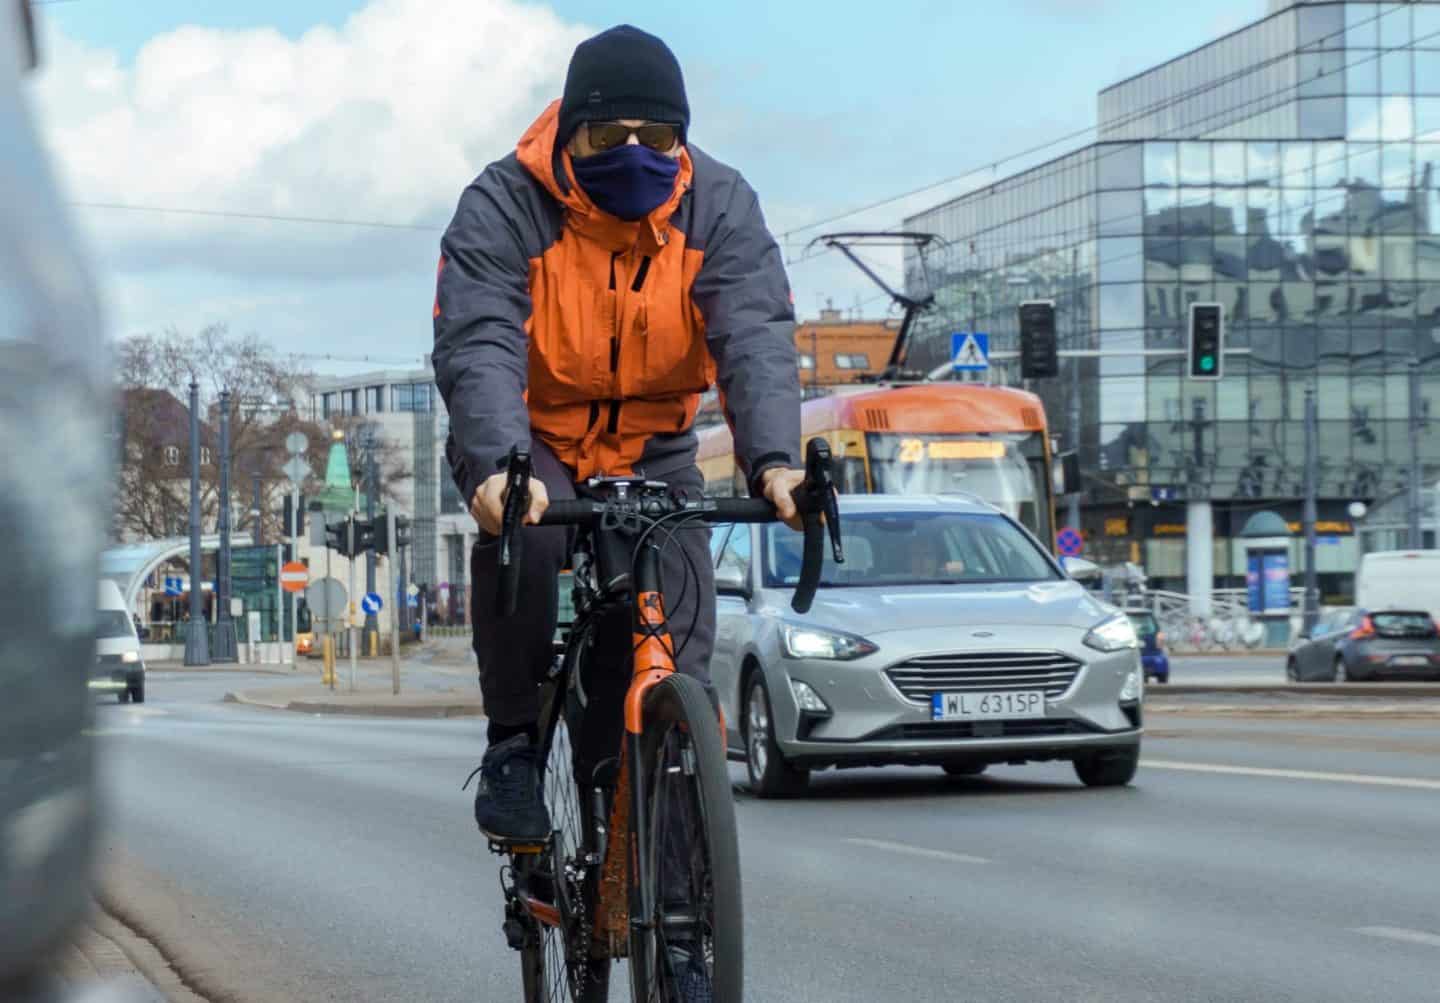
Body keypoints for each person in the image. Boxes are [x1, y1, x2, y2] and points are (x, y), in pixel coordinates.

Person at [433, 25, 804, 847]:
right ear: (570, 134)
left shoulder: (722, 204)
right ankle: (514, 746)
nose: (635, 152)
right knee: (523, 544)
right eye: (608, 137)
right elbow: (479, 338)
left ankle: (676, 907)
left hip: (655, 445)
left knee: (678, 643)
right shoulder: (503, 203)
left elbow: (755, 334)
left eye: (658, 136)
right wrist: (498, 468)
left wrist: (774, 462)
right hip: (531, 437)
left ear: (683, 138)